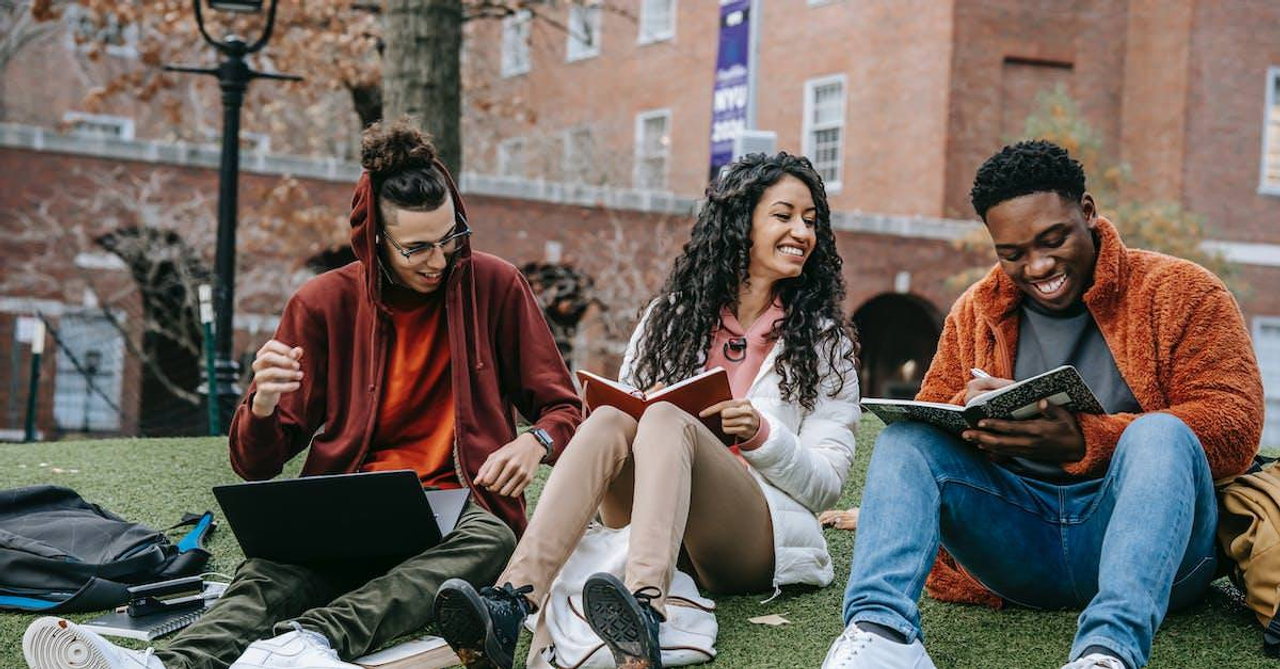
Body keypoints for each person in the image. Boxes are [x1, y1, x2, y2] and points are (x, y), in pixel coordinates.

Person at [22, 120, 582, 669]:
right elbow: (256, 463)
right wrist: (261, 404)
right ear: (374, 239)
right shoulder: (321, 304)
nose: (439, 259)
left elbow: (564, 408)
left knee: (492, 541)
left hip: (461, 506)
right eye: (417, 248)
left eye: (450, 237)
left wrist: (535, 440)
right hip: (348, 505)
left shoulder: (496, 285)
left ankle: (307, 644)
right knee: (270, 574)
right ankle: (164, 664)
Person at [823, 140, 1265, 669]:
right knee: (907, 438)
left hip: (1154, 552)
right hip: (1018, 544)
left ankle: (1108, 651)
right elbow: (934, 417)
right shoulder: (976, 310)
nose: (1037, 266)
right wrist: (972, 415)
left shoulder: (1184, 291)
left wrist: (1088, 441)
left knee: (1162, 433)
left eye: (1053, 240)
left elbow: (1235, 425)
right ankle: (882, 635)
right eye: (1012, 254)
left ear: (1087, 212)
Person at [429, 152, 863, 669]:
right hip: (651, 520)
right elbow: (624, 422)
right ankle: (511, 601)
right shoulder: (669, 317)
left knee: (664, 418)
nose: (801, 232)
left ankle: (645, 611)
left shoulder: (822, 342)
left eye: (810, 221)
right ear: (739, 223)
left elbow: (828, 482)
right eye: (784, 215)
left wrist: (761, 434)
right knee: (615, 417)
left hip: (750, 539)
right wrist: (647, 405)